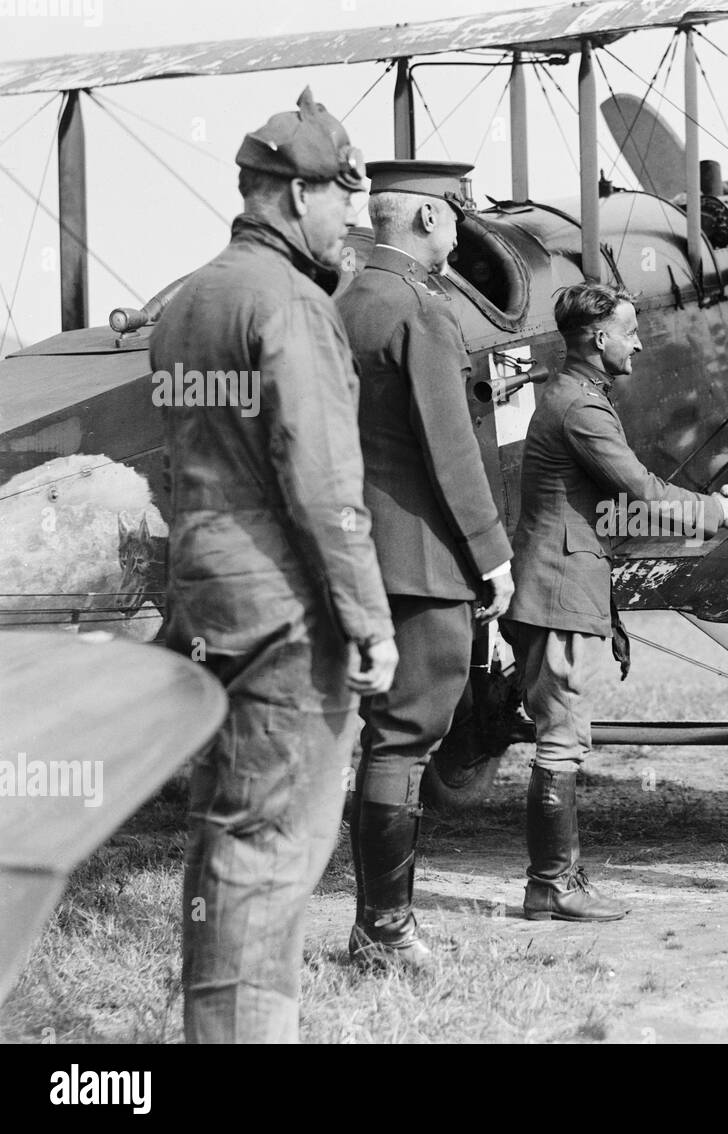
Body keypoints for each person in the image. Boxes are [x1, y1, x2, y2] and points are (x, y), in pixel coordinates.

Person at [151, 88, 399, 1043]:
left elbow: (187, 463)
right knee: (274, 849)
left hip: (207, 600)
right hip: (286, 613)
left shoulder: (191, 302)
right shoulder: (291, 304)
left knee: (225, 836)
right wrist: (370, 622)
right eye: (345, 196)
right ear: (298, 196)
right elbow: (325, 486)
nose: (354, 219)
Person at [501, 283, 728, 922]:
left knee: (564, 734)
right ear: (596, 338)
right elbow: (641, 489)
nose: (638, 341)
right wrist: (719, 509)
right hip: (559, 590)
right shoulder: (581, 408)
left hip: (561, 586)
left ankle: (555, 881)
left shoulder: (571, 397)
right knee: (561, 739)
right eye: (629, 330)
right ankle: (551, 885)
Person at [336, 160, 514, 969]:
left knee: (379, 739)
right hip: (421, 561)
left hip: (353, 548)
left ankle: (373, 921)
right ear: (429, 219)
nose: (457, 232)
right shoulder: (421, 310)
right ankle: (386, 931)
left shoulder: (345, 304)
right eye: (452, 216)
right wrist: (492, 555)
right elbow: (451, 450)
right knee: (405, 739)